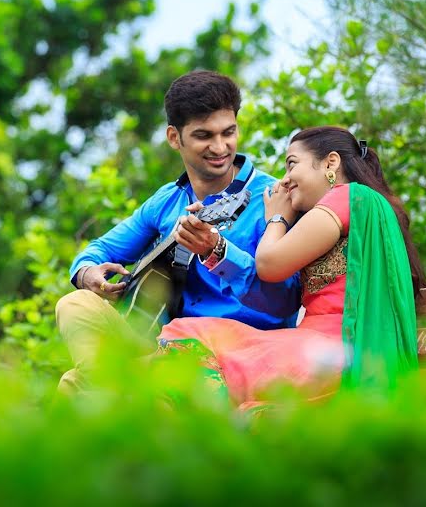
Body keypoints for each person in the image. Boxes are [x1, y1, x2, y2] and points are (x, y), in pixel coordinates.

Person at [55, 70, 302, 395]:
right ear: (175, 138)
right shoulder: (167, 200)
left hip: (237, 352)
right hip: (168, 345)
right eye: (204, 136)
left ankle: (111, 396)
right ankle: (118, 388)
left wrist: (218, 251)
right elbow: (98, 250)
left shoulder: (274, 197)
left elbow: (286, 299)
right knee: (76, 304)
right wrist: (89, 274)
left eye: (228, 132)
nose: (220, 146)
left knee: (73, 384)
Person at [157, 126, 426, 407]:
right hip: (328, 358)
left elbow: (268, 265)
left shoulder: (345, 196)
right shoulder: (362, 211)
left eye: (291, 165)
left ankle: (207, 428)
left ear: (330, 163)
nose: (284, 181)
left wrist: (276, 218)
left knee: (186, 334)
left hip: (325, 356)